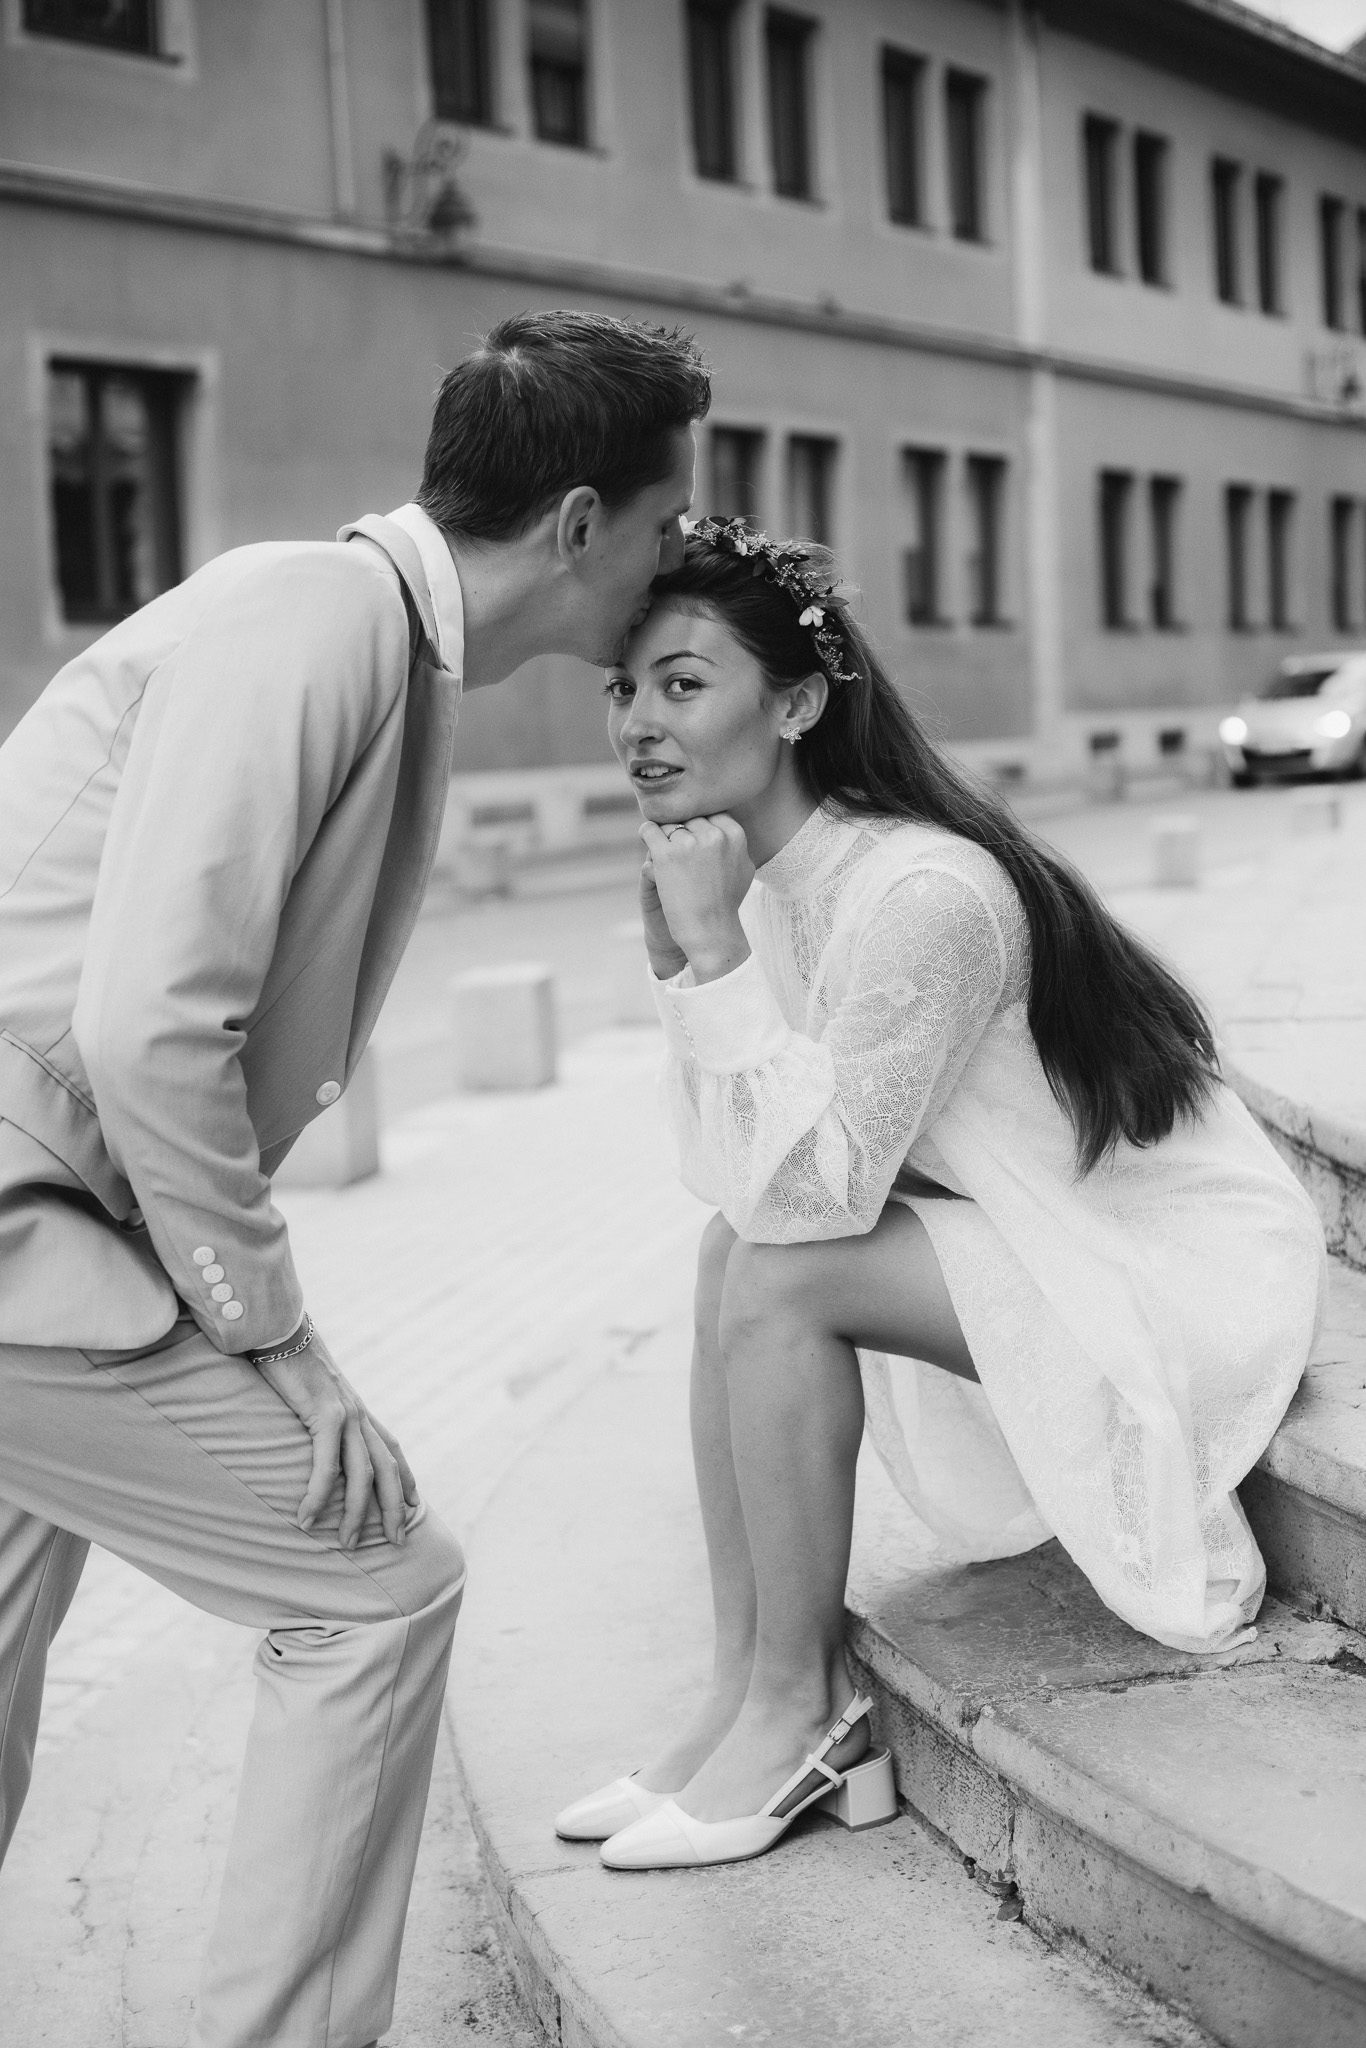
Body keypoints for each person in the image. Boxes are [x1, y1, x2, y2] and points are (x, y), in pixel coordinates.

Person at [0, 309, 707, 2042]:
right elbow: (149, 1024)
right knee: (378, 1585)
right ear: (577, 526)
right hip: (28, 1224)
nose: (677, 555)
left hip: (56, 1218)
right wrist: (275, 1337)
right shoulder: (311, 612)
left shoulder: (352, 626)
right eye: (667, 521)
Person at [554, 517, 1326, 1873]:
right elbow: (735, 1181)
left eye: (682, 683)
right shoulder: (761, 878)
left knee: (775, 1272)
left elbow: (818, 1202)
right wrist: (692, 962)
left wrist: (711, 962)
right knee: (725, 1251)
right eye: (625, 687)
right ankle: (742, 1695)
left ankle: (805, 1709)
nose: (639, 723)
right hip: (1031, 1238)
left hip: (1172, 1272)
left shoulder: (923, 891)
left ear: (796, 703)